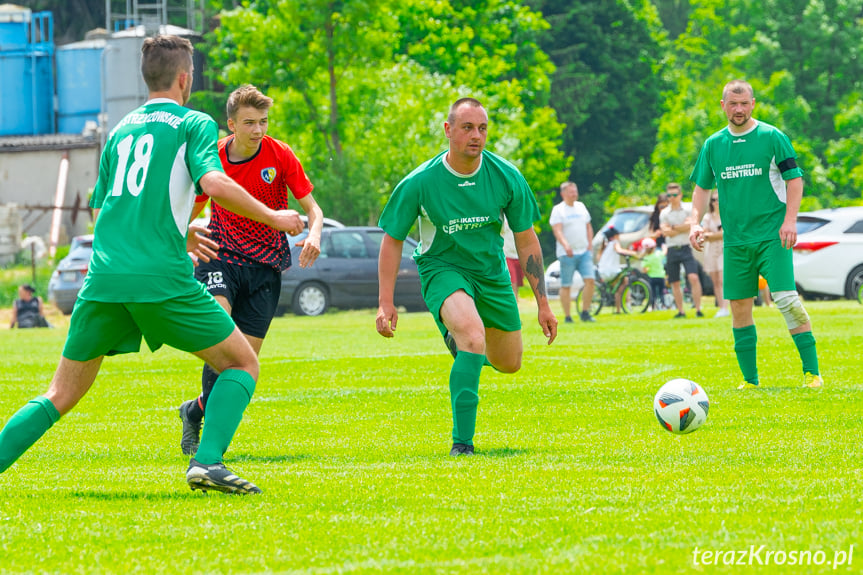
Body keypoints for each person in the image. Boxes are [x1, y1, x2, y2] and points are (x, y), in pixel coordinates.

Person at [0, 35, 305, 493]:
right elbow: (214, 182)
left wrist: (179, 232)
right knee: (242, 363)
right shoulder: (194, 124)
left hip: (103, 278)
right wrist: (274, 215)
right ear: (186, 79)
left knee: (59, 394)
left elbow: (105, 212)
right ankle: (207, 462)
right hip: (160, 279)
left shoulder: (120, 131)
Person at [375, 97, 557, 457]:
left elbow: (526, 239)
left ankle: (465, 352)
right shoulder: (420, 182)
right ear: (448, 130)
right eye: (467, 128)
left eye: (482, 128)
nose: (477, 136)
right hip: (443, 269)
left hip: (491, 274)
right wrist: (385, 302)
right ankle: (463, 442)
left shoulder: (506, 176)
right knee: (473, 337)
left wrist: (544, 304)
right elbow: (392, 240)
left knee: (509, 362)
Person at [177, 84, 323, 456]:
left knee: (241, 362)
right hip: (220, 255)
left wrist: (315, 235)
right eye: (249, 123)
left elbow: (313, 210)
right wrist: (182, 237)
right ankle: (211, 447)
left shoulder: (281, 154)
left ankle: (195, 411)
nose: (258, 130)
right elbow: (192, 208)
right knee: (220, 333)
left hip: (266, 265)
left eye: (263, 122)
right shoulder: (213, 159)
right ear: (231, 125)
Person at [689, 79, 822, 389]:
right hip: (735, 241)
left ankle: (812, 374)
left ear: (753, 104)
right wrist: (695, 223)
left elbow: (794, 180)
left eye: (744, 103)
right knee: (738, 306)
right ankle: (750, 381)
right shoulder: (713, 145)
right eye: (733, 104)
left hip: (772, 237)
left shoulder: (772, 137)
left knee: (787, 301)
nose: (739, 109)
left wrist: (790, 221)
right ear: (723, 106)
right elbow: (700, 189)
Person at [550, 181, 596, 323]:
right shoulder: (559, 210)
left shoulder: (581, 207)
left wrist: (590, 243)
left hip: (584, 252)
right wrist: (566, 245)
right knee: (566, 284)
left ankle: (585, 312)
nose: (574, 194)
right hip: (567, 254)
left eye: (575, 191)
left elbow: (588, 226)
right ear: (563, 194)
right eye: (571, 191)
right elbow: (557, 230)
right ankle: (568, 316)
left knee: (590, 280)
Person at [660, 182, 703, 318]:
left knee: (693, 277)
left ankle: (698, 309)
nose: (672, 198)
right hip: (672, 248)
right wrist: (680, 227)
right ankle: (681, 311)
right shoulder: (664, 212)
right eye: (669, 195)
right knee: (675, 281)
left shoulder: (688, 208)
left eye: (674, 195)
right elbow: (665, 232)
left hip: (685, 247)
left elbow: (690, 225)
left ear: (680, 195)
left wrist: (673, 227)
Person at [596, 227, 639, 314]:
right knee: (623, 284)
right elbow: (619, 250)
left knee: (620, 284)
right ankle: (626, 305)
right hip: (611, 271)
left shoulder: (605, 246)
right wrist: (632, 253)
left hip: (603, 272)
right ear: (615, 236)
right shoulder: (614, 243)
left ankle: (619, 309)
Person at [701, 192, 729, 317]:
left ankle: (725, 307)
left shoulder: (726, 214)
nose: (716, 202)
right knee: (715, 280)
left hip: (723, 248)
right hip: (711, 250)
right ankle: (721, 306)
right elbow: (704, 234)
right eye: (713, 200)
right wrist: (715, 235)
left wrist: (712, 235)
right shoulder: (707, 217)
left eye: (718, 199)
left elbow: (726, 233)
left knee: (724, 279)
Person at [639, 238, 666, 311]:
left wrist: (648, 269)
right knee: (661, 292)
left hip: (652, 277)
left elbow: (644, 270)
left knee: (652, 293)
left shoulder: (646, 258)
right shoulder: (657, 254)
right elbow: (664, 252)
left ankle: (653, 306)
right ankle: (663, 305)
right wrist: (664, 246)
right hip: (661, 276)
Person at [501, 217, 522, 299]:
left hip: (519, 255)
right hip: (506, 254)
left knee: (517, 285)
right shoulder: (502, 217)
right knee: (512, 283)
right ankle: (514, 307)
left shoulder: (521, 215)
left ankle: (516, 305)